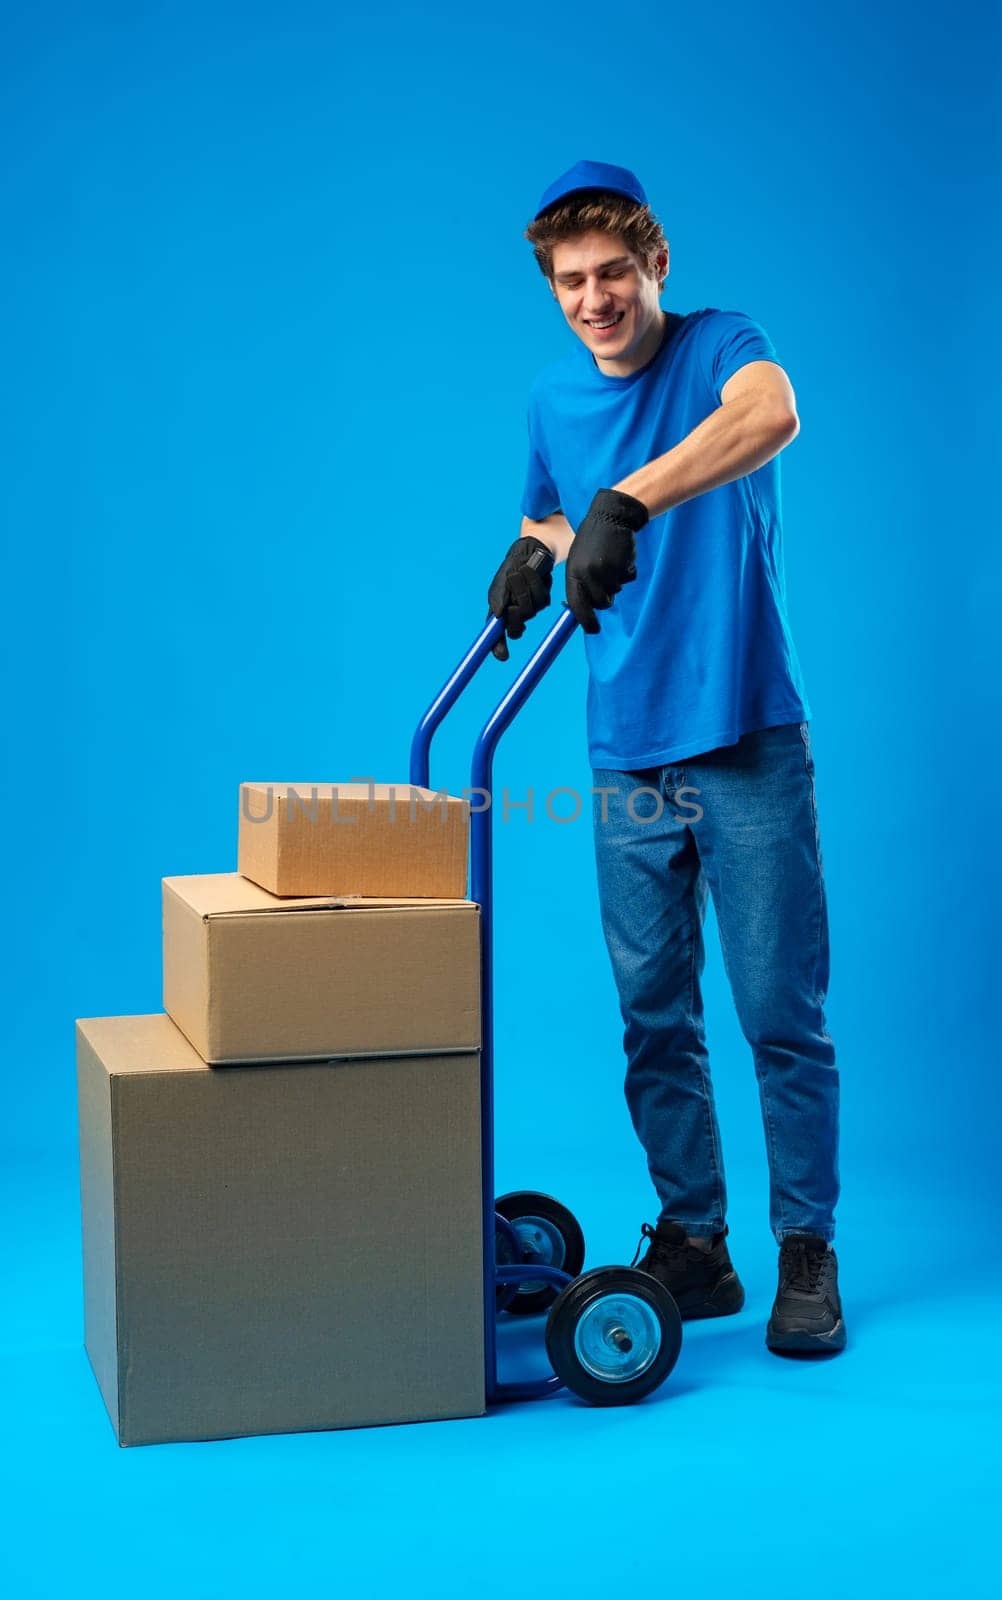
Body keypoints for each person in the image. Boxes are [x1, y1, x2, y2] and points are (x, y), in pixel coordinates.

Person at [487, 159, 845, 1355]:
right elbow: (556, 509)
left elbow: (769, 416)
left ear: (656, 266)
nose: (595, 298)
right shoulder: (551, 396)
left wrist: (625, 503)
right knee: (651, 1011)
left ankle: (808, 1252)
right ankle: (695, 1240)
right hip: (625, 748)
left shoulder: (714, 349)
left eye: (613, 273)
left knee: (777, 1011)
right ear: (552, 288)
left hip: (744, 731)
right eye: (571, 281)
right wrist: (532, 548)